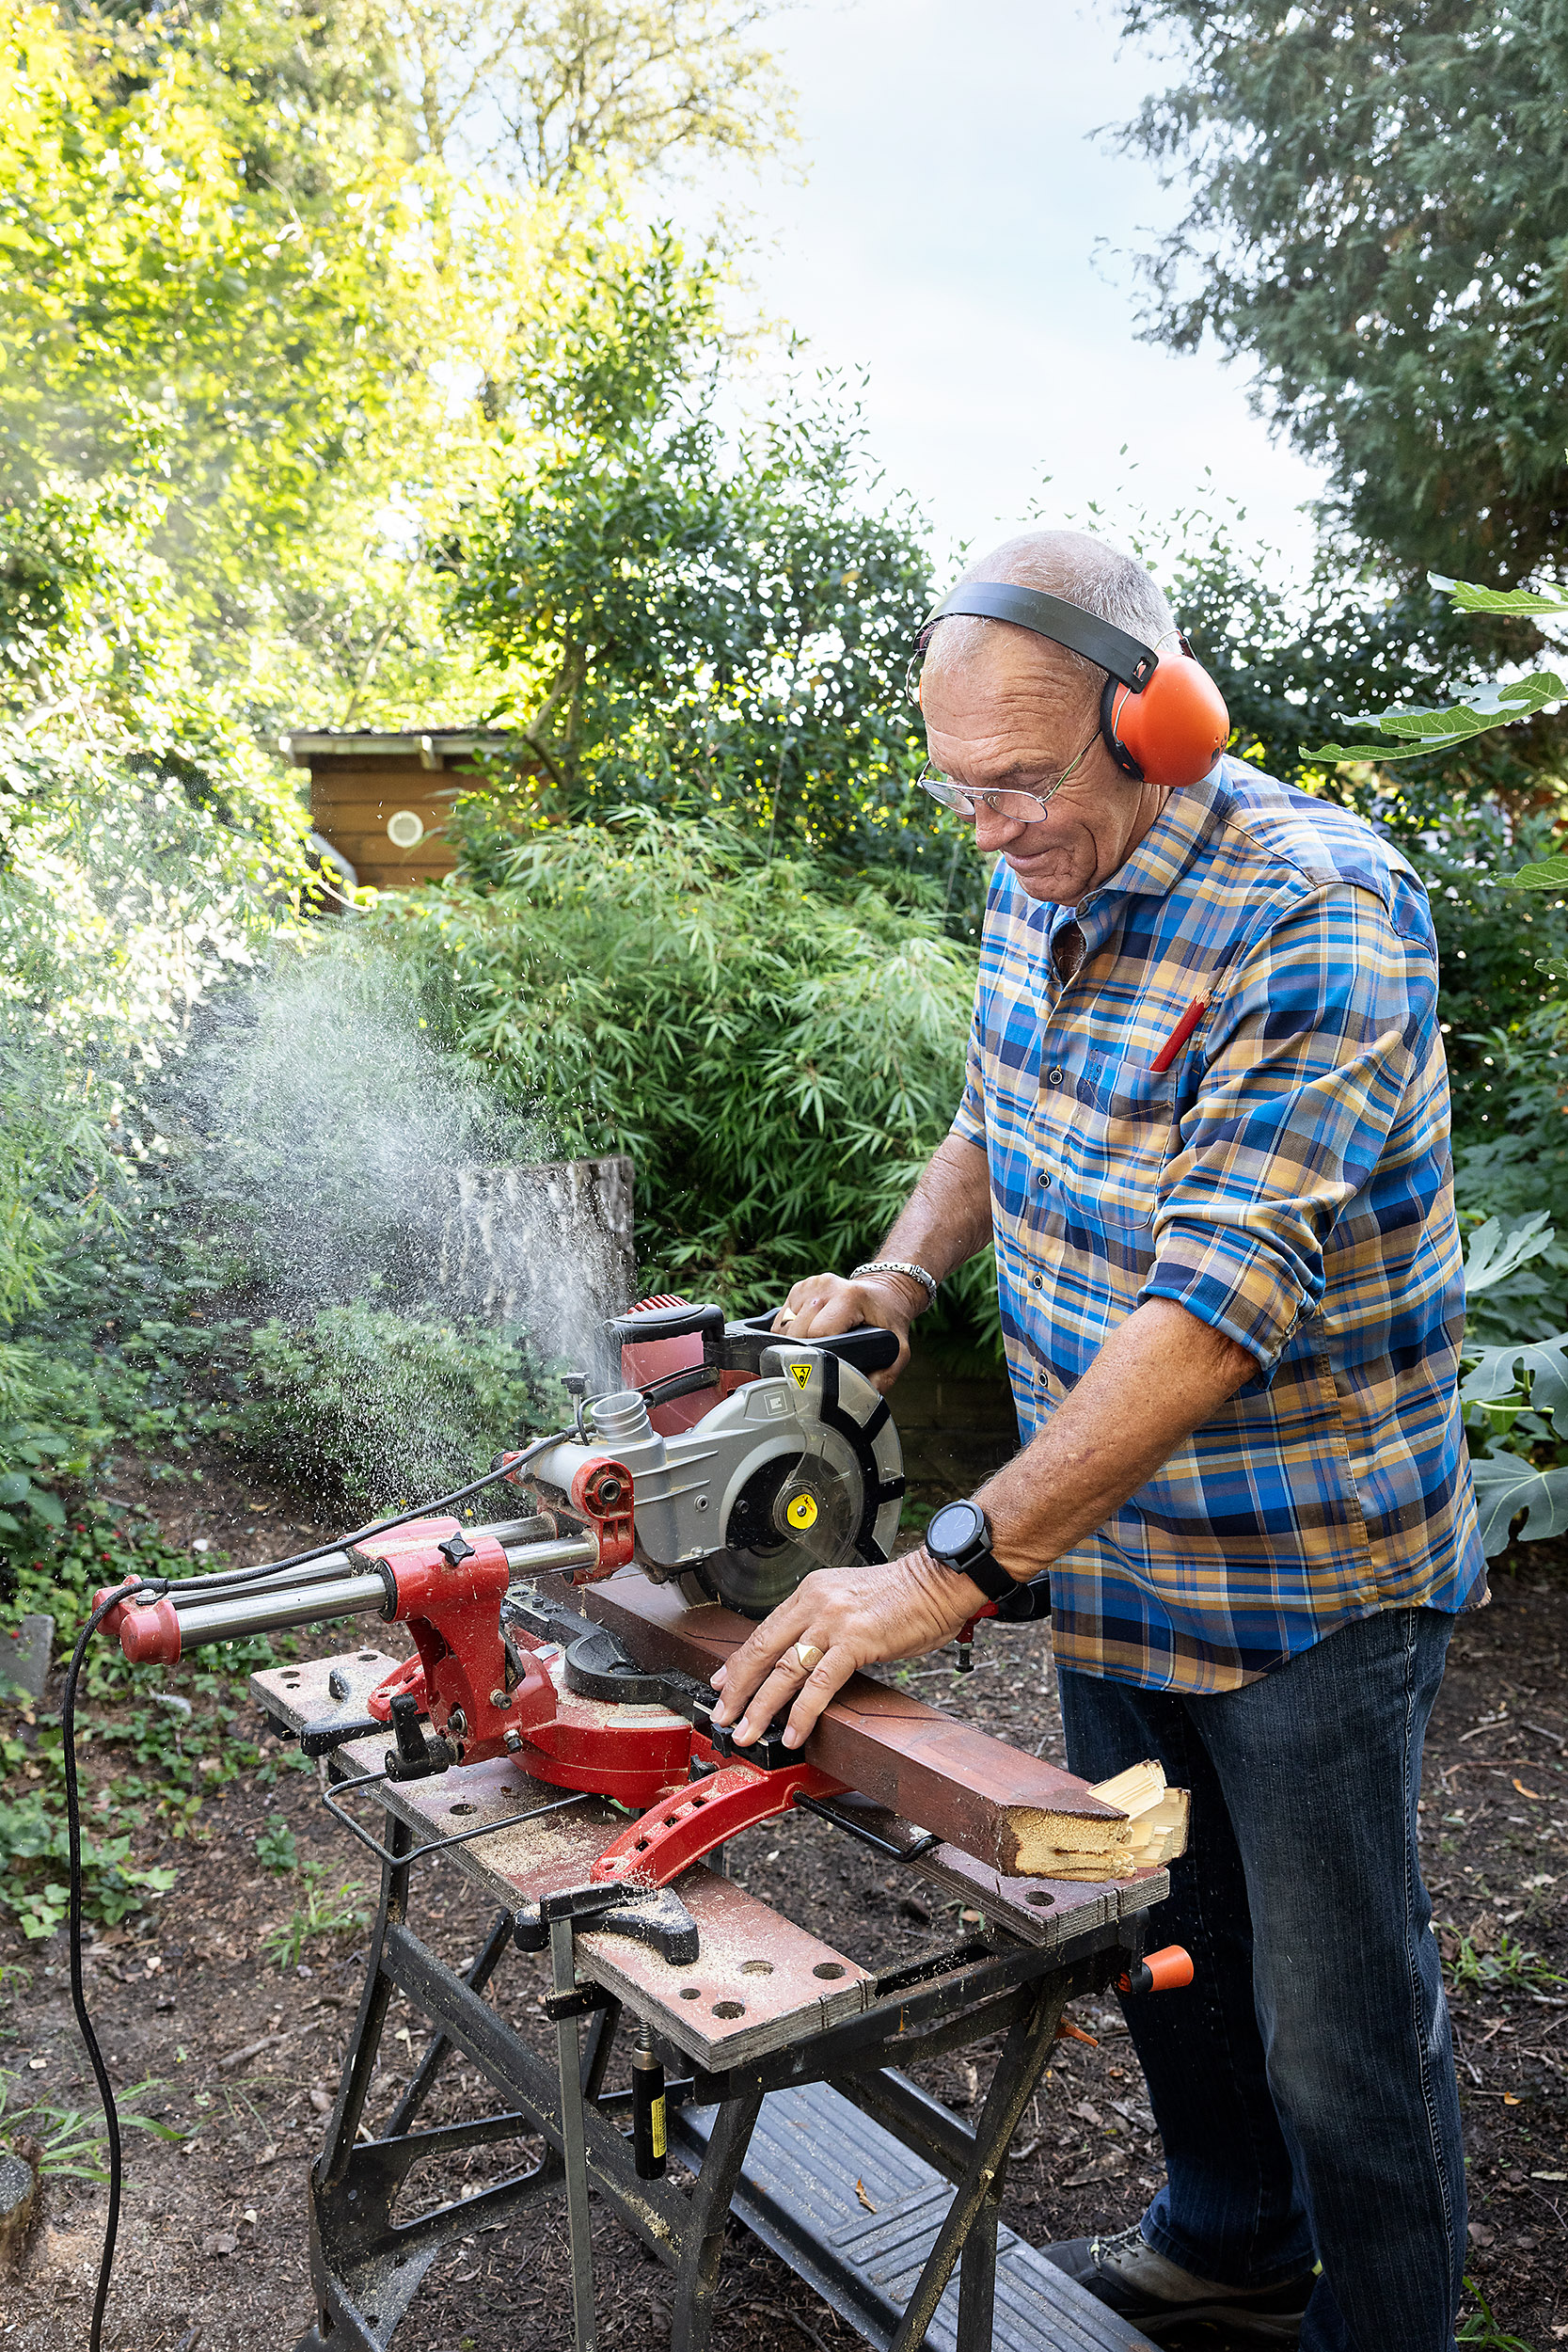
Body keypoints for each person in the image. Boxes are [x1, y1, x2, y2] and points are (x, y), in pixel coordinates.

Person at [708, 528, 1486, 2352]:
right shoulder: (1038, 860)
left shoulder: (1320, 907)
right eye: (959, 787)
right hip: (1108, 1557)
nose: (991, 825)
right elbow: (998, 1107)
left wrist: (951, 1563)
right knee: (1160, 1931)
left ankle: (1386, 2325)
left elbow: (1222, 1299)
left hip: (1308, 1576)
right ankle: (1230, 2240)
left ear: (1164, 723)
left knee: (1337, 2014)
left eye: (1025, 779)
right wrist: (901, 1278)